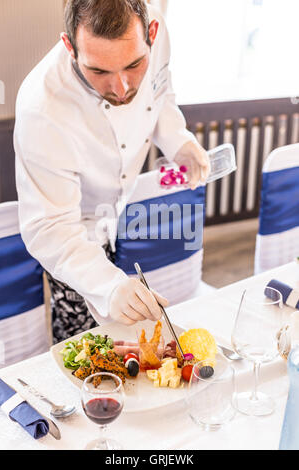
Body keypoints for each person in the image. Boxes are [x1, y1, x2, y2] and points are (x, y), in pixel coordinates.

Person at [14, 0, 210, 342]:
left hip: (123, 209)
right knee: (83, 346)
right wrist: (108, 285)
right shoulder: (42, 108)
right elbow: (50, 226)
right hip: (73, 233)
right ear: (69, 47)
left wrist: (179, 140)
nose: (121, 88)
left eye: (134, 64)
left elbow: (160, 91)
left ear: (151, 34)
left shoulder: (157, 30)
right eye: (99, 71)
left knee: (139, 340)